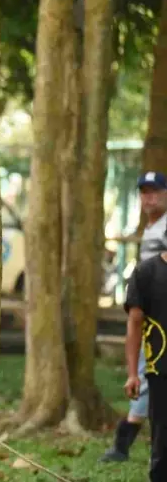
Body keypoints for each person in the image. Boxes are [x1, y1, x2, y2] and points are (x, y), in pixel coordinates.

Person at [101, 170, 167, 462]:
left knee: (146, 373)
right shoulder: (152, 227)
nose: (148, 197)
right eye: (144, 192)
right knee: (145, 374)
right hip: (145, 313)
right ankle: (122, 445)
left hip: (158, 319)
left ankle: (121, 445)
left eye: (155, 191)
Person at [123, 246, 167, 481]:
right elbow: (135, 323)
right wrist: (132, 373)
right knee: (162, 442)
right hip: (161, 371)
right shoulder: (146, 272)